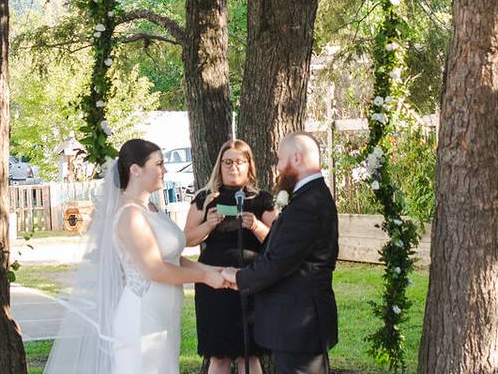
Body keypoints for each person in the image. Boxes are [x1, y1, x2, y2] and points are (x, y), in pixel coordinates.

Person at [44, 138, 229, 374]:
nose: (165, 170)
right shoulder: (130, 215)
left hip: (163, 315)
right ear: (136, 170)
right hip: (142, 316)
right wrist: (204, 277)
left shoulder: (152, 208)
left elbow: (170, 258)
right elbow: (155, 269)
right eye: (159, 164)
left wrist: (213, 270)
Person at [222, 132, 339, 374]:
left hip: (298, 326)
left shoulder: (308, 204)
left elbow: (279, 262)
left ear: (296, 158)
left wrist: (238, 277)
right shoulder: (308, 197)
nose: (277, 167)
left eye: (279, 159)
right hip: (295, 326)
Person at [184, 139, 277, 374]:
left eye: (239, 162)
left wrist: (256, 226)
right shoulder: (206, 198)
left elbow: (278, 243)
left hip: (250, 282)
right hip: (212, 283)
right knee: (218, 355)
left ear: (249, 166)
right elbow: (186, 239)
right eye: (227, 162)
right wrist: (208, 225)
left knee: (251, 356)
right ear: (219, 165)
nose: (233, 167)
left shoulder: (262, 199)